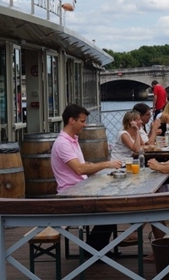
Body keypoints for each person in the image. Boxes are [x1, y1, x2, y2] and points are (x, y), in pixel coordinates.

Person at [51, 104, 122, 251]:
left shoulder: (71, 140)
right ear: (72, 120)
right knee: (111, 208)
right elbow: (79, 169)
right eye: (82, 121)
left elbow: (81, 165)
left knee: (112, 203)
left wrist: (95, 167)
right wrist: (106, 164)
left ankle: (96, 248)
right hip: (71, 195)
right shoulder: (63, 144)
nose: (85, 125)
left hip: (80, 190)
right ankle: (94, 249)